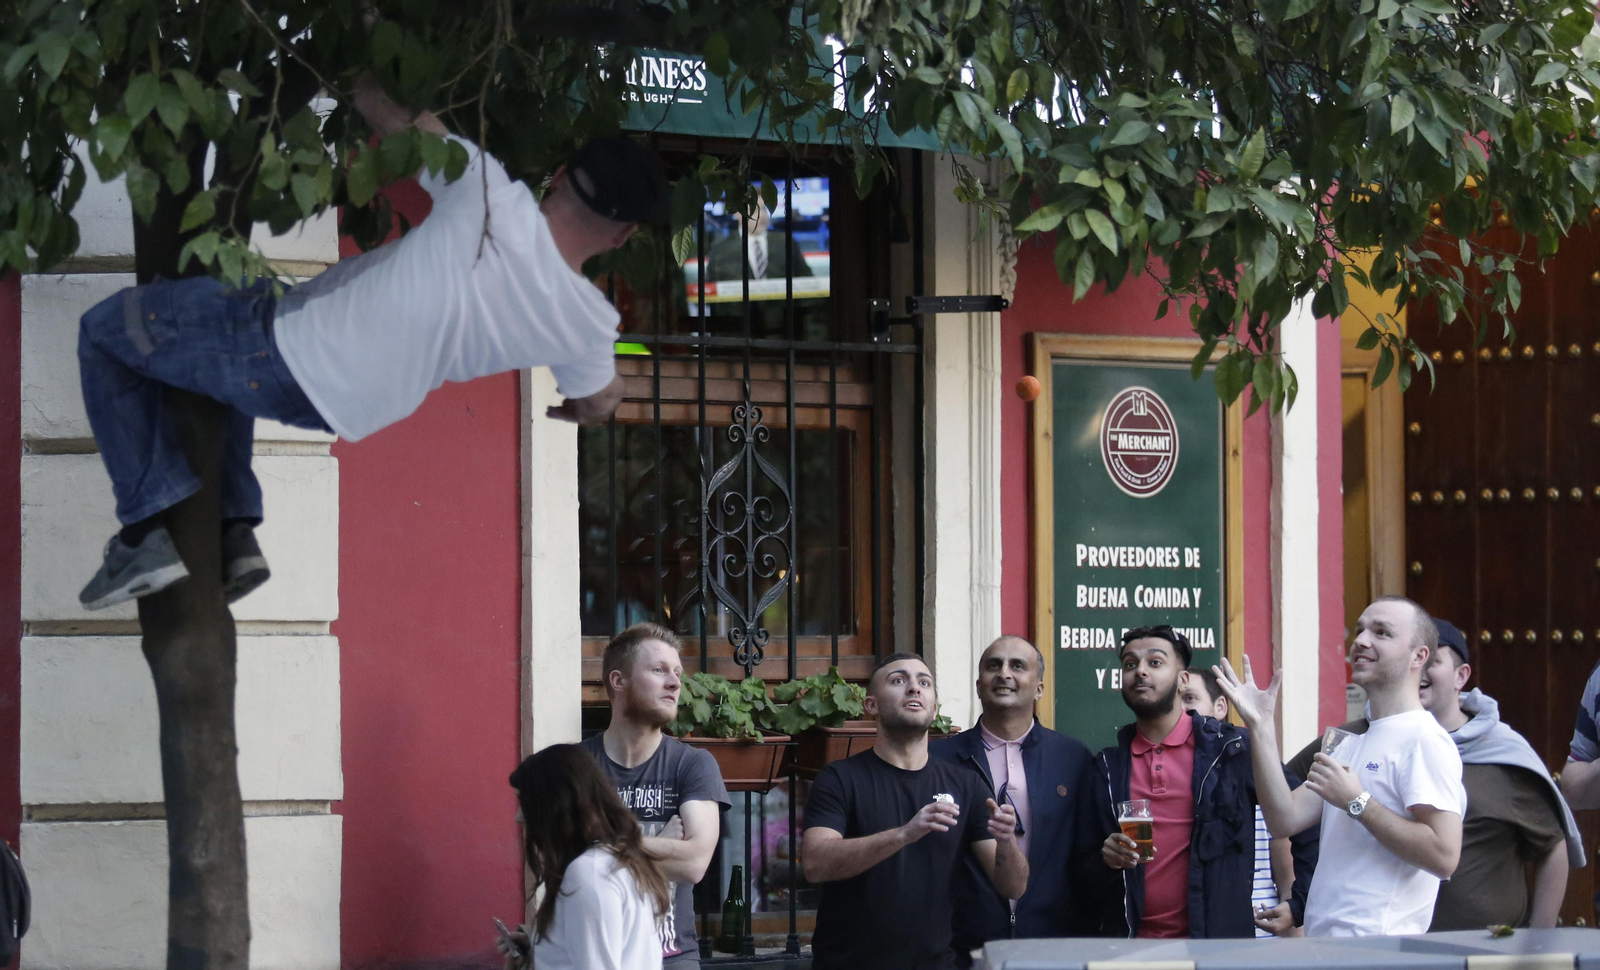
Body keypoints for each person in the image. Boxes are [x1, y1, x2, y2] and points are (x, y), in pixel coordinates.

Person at [75, 72, 658, 610]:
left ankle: (143, 530)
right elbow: (603, 399)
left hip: (290, 353)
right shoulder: (587, 324)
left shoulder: (489, 196)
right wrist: (579, 404)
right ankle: (233, 532)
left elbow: (387, 111)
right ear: (626, 233)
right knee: (239, 281)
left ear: (558, 176)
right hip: (349, 404)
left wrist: (355, 35)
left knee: (103, 333)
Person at [1285, 619, 1581, 930]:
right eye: (1415, 660)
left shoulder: (1503, 753)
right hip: (1386, 944)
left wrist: (1539, 941)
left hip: (1483, 950)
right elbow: (1285, 809)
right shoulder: (1354, 739)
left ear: (1461, 676)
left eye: (1433, 660)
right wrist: (1296, 896)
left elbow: (1551, 843)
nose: (1420, 671)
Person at [1214, 595, 1466, 936]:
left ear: (1419, 656)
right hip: (1331, 946)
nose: (1361, 640)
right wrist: (1260, 728)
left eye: (1381, 632)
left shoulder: (1426, 740)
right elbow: (1283, 817)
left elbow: (1444, 855)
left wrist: (1357, 802)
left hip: (1379, 952)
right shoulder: (1353, 741)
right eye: (1360, 630)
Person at [801, 653, 1028, 970]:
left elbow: (1013, 887)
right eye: (898, 680)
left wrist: (1007, 842)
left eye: (924, 683)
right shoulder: (840, 779)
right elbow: (815, 864)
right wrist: (904, 834)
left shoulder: (966, 785)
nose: (914, 688)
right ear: (872, 706)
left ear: (934, 708)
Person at [1087, 626, 1289, 939]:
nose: (1140, 671)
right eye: (1129, 664)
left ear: (1183, 681)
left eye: (1155, 662)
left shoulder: (1232, 749)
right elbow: (1080, 867)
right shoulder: (1107, 767)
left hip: (1215, 952)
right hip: (1130, 951)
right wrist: (1106, 858)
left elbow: (1303, 817)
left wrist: (1298, 902)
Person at [929, 636, 1097, 965]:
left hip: (1053, 944)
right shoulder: (939, 759)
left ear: (1039, 688)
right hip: (963, 947)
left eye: (1017, 666)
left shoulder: (1072, 758)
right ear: (979, 685)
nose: (1004, 674)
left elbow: (1085, 855)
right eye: (994, 666)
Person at [580, 623, 730, 968]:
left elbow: (692, 864)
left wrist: (600, 843)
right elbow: (563, 862)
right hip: (593, 956)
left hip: (669, 959)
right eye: (659, 670)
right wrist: (660, 843)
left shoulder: (692, 765)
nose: (676, 682)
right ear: (619, 681)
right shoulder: (579, 767)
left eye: (677, 672)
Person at [498, 744, 669, 970]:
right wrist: (542, 949)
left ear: (553, 805)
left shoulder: (590, 873)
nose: (519, 817)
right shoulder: (614, 863)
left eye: (525, 803)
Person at [1179, 667, 1315, 938]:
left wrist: (1299, 904)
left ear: (1220, 707)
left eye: (1190, 699)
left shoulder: (1239, 750)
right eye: (1175, 701)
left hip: (1250, 936)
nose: (1182, 711)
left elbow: (1304, 826)